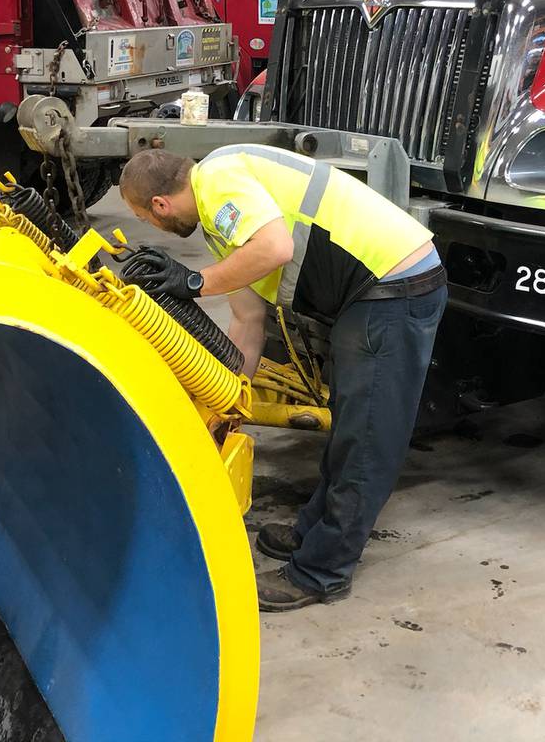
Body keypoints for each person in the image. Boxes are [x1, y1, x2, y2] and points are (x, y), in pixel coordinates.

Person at [117, 144, 447, 611]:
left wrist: (194, 282)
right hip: (373, 289)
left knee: (367, 437)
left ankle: (321, 573)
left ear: (159, 205)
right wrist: (227, 403)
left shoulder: (218, 181)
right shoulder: (224, 214)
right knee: (351, 423)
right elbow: (246, 324)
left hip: (393, 287)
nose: (153, 227)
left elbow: (276, 248)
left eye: (146, 219)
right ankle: (312, 533)